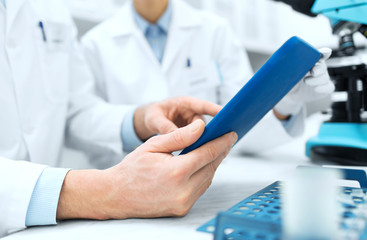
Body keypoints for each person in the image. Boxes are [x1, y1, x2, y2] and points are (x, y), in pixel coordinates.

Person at [0, 0, 237, 237]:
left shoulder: (50, 7)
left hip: (45, 228)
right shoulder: (97, 39)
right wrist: (105, 191)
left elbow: (75, 110)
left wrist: (141, 119)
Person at [81, 0, 334, 157]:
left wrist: (285, 104)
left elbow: (242, 128)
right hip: (129, 186)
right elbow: (82, 128)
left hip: (209, 181)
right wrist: (138, 124)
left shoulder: (215, 31)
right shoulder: (95, 43)